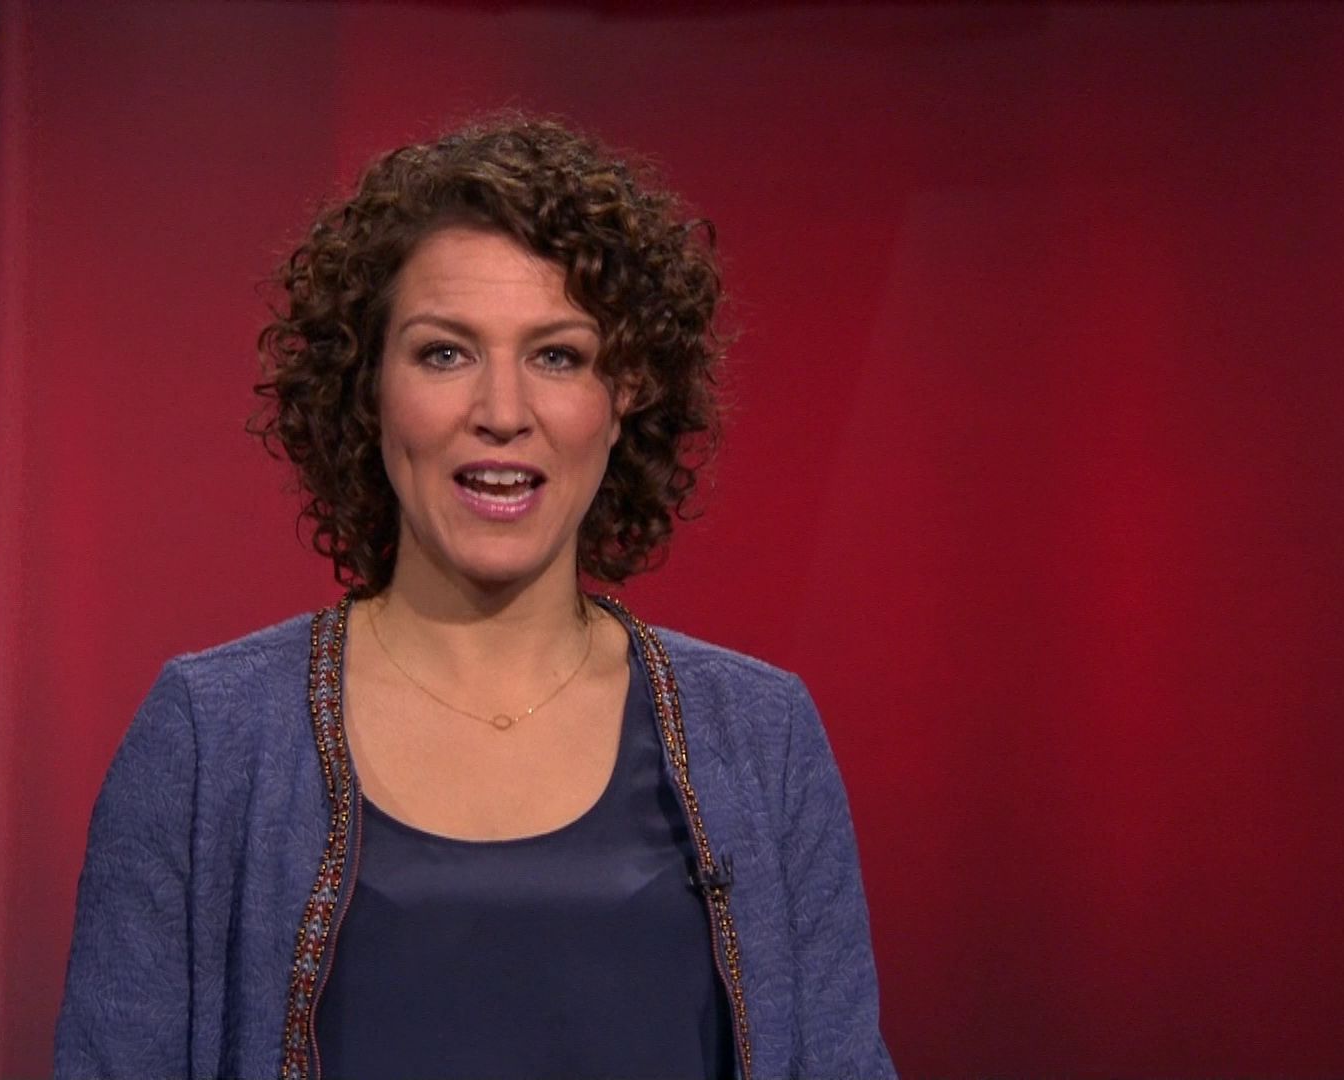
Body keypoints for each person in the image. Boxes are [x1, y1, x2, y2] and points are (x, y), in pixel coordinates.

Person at [54, 113, 893, 1080]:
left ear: (625, 395)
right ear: (369, 388)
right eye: (445, 353)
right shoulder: (210, 737)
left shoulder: (763, 737)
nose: (501, 412)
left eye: (557, 356)